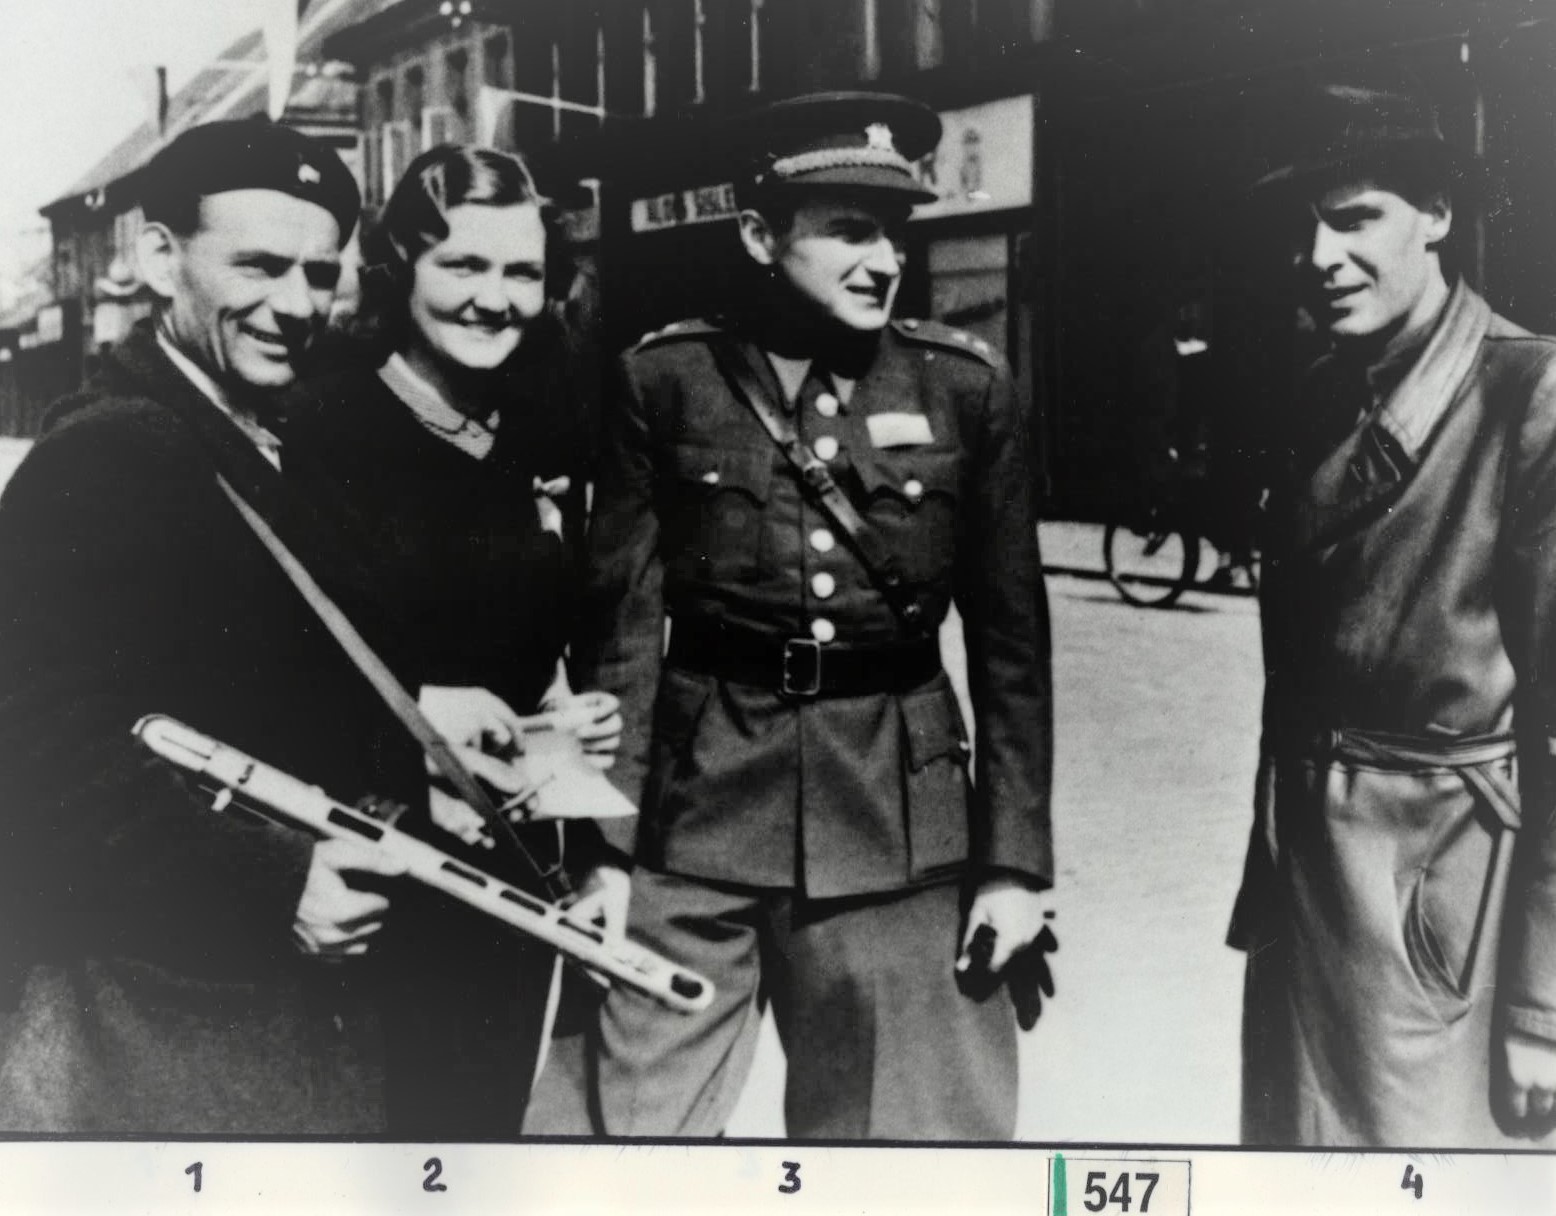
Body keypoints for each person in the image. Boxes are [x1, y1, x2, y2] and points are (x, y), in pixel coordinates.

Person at [571, 91, 1055, 1139]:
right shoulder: (667, 380)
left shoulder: (965, 387)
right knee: (615, 1135)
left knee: (912, 1154)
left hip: (898, 828)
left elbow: (1012, 649)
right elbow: (619, 634)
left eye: (895, 233)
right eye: (849, 230)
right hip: (692, 817)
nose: (884, 261)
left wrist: (1013, 865)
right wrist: (603, 847)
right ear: (760, 235)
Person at [0, 119, 497, 1135]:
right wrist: (271, 884)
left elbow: (247, 669)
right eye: (259, 267)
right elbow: (32, 745)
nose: (296, 306)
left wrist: (417, 720)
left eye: (319, 273)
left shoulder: (269, 432)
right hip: (162, 1015)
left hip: (290, 1008)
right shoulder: (108, 454)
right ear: (158, 258)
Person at [1230, 66, 1556, 1147]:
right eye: (1300, 229)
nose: (1319, 257)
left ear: (1437, 214)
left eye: (1354, 218)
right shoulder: (1323, 390)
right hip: (1308, 890)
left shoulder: (1527, 394)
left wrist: (1542, 1004)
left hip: (1439, 903)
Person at [283, 143, 626, 1137]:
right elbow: (266, 656)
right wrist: (420, 712)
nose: (495, 299)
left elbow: (541, 648)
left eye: (521, 272)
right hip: (372, 860)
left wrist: (567, 728)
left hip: (511, 862)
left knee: (479, 1130)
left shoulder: (537, 429)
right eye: (463, 265)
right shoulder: (321, 427)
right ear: (400, 271)